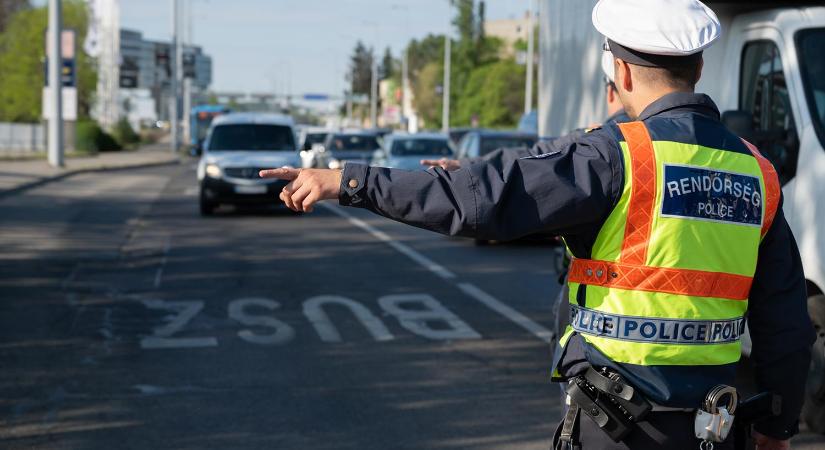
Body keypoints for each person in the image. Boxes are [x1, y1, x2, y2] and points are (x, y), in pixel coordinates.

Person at [260, 0, 814, 448]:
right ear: (698, 68)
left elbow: (480, 201)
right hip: (716, 426)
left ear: (619, 71)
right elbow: (786, 323)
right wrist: (777, 426)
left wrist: (348, 181)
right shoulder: (758, 172)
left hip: (619, 427)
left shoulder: (618, 156)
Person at [421, 49, 629, 172]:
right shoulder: (646, 134)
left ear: (612, 91)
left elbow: (534, 156)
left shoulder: (598, 140)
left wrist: (463, 164)